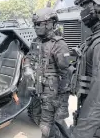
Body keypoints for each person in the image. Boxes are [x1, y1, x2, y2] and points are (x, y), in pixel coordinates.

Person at [23, 7, 71, 138]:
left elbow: (66, 75)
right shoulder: (36, 41)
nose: (36, 27)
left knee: (46, 126)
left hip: (51, 92)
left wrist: (63, 104)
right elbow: (27, 56)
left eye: (39, 24)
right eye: (35, 24)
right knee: (36, 118)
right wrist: (27, 67)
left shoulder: (58, 44)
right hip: (37, 89)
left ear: (50, 24)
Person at [70, 0, 100, 138]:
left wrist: (80, 133)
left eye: (85, 6)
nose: (82, 12)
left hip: (98, 127)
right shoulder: (95, 39)